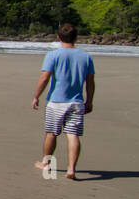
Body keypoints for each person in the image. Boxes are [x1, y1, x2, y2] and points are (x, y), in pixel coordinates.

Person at [31, 23, 95, 179]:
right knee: (73, 135)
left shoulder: (53, 55)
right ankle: (71, 169)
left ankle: (47, 164)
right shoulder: (85, 56)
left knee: (52, 133)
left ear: (58, 37)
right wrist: (89, 101)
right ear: (76, 38)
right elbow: (90, 82)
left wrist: (36, 96)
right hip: (76, 101)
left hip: (56, 101)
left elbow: (45, 77)